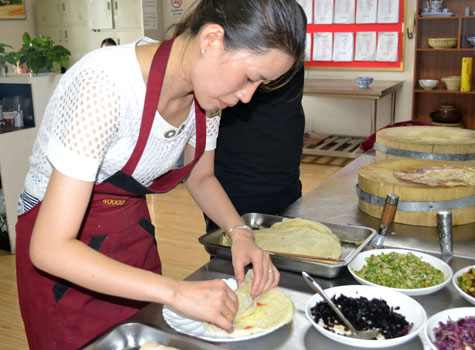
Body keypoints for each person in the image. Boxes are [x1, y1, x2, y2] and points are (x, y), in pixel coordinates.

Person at [14, 0, 307, 349]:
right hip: (64, 261)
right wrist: (176, 291)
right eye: (249, 78)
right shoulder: (104, 85)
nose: (247, 97)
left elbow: (201, 178)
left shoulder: (207, 100)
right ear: (211, 40)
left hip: (129, 238)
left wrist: (239, 232)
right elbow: (50, 248)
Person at [205, 66, 305, 232]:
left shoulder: (291, 47)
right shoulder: (236, 52)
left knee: (287, 247)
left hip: (287, 181)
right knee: (234, 253)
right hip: (238, 184)